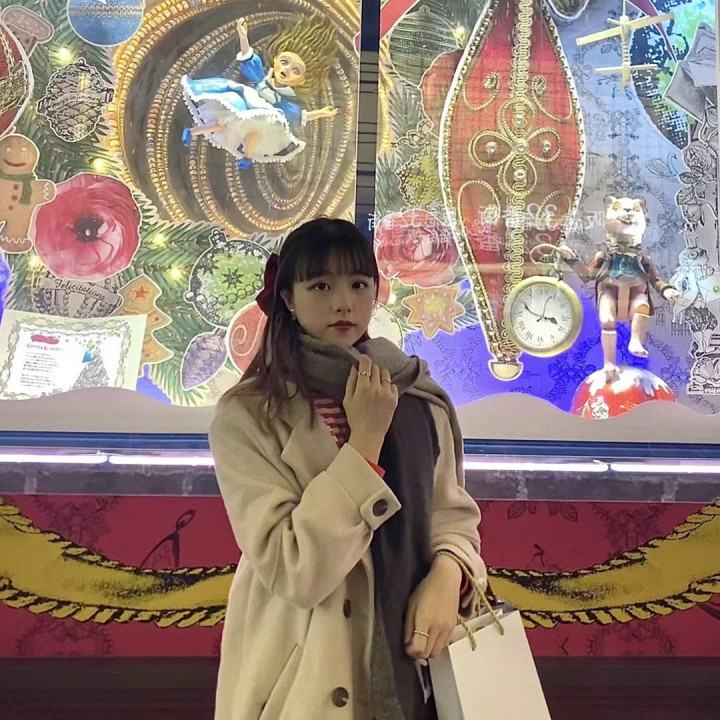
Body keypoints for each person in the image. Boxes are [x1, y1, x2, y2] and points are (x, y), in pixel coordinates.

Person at [209, 217, 486, 719]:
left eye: (359, 284)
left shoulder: (415, 394)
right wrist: (365, 443)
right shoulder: (250, 414)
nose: (344, 303)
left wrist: (449, 575)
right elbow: (295, 569)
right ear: (288, 299)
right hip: (301, 674)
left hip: (415, 670)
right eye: (321, 286)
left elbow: (452, 519)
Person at [181, 15, 338, 169]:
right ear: (276, 59)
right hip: (245, 105)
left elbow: (300, 116)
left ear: (302, 80)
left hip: (264, 118)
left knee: (254, 134)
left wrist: (322, 113)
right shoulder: (261, 78)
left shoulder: (283, 100)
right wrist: (243, 36)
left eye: (296, 71)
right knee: (221, 124)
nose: (286, 70)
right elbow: (248, 58)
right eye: (284, 62)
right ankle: (191, 131)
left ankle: (247, 158)